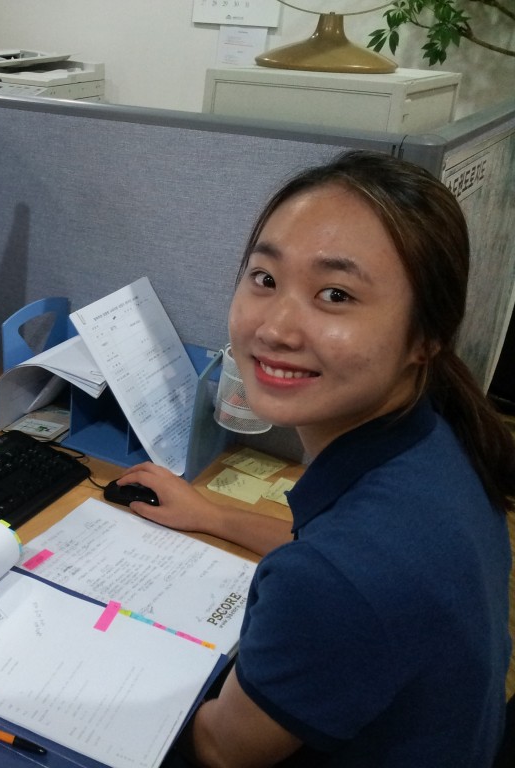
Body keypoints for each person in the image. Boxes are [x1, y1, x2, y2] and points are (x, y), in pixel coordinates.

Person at [117, 150, 514, 767]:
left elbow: (223, 751)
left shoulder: (345, 575)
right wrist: (213, 516)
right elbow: (329, 557)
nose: (276, 328)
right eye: (266, 279)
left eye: (335, 294)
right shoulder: (436, 435)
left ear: (425, 336)